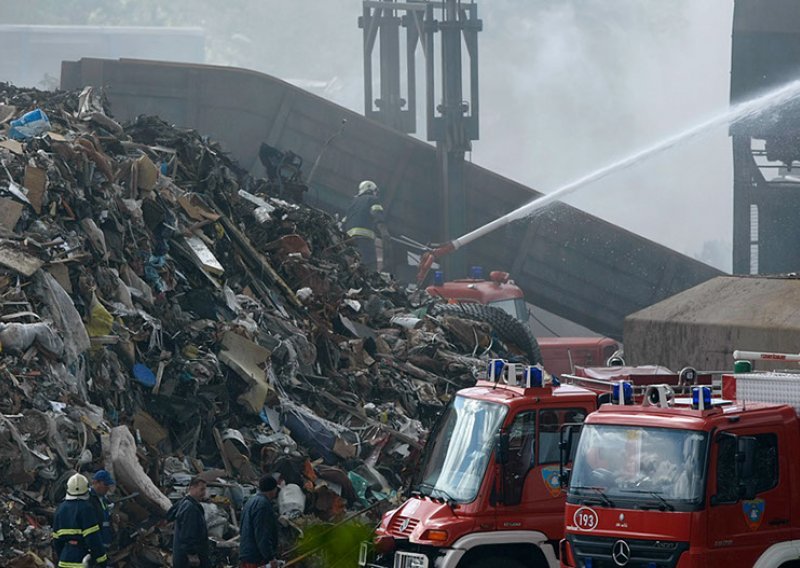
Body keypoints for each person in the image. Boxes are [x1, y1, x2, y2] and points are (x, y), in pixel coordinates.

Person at [52, 473, 108, 567]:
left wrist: (63, 555)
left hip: (64, 560)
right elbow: (93, 538)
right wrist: (102, 559)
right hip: (83, 560)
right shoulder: (86, 508)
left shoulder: (60, 508)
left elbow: (56, 539)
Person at [343, 180, 389, 271]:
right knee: (369, 264)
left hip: (349, 238)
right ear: (372, 190)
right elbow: (377, 214)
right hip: (364, 239)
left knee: (350, 262)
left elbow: (344, 221)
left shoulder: (353, 202)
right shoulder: (372, 199)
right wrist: (384, 233)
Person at [239, 475, 281, 568]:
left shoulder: (250, 501)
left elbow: (241, 528)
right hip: (256, 557)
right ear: (273, 490)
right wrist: (270, 557)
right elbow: (262, 534)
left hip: (246, 554)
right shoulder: (263, 506)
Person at [171, 476, 211, 568]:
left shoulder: (186, 503)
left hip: (183, 556)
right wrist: (192, 554)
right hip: (187, 559)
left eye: (205, 490)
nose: (204, 493)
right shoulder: (190, 508)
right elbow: (187, 533)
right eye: (201, 489)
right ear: (191, 488)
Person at [89, 469, 115, 555]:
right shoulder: (88, 499)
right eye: (105, 484)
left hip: (104, 544)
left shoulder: (103, 499)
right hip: (94, 545)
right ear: (96, 482)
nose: (107, 488)